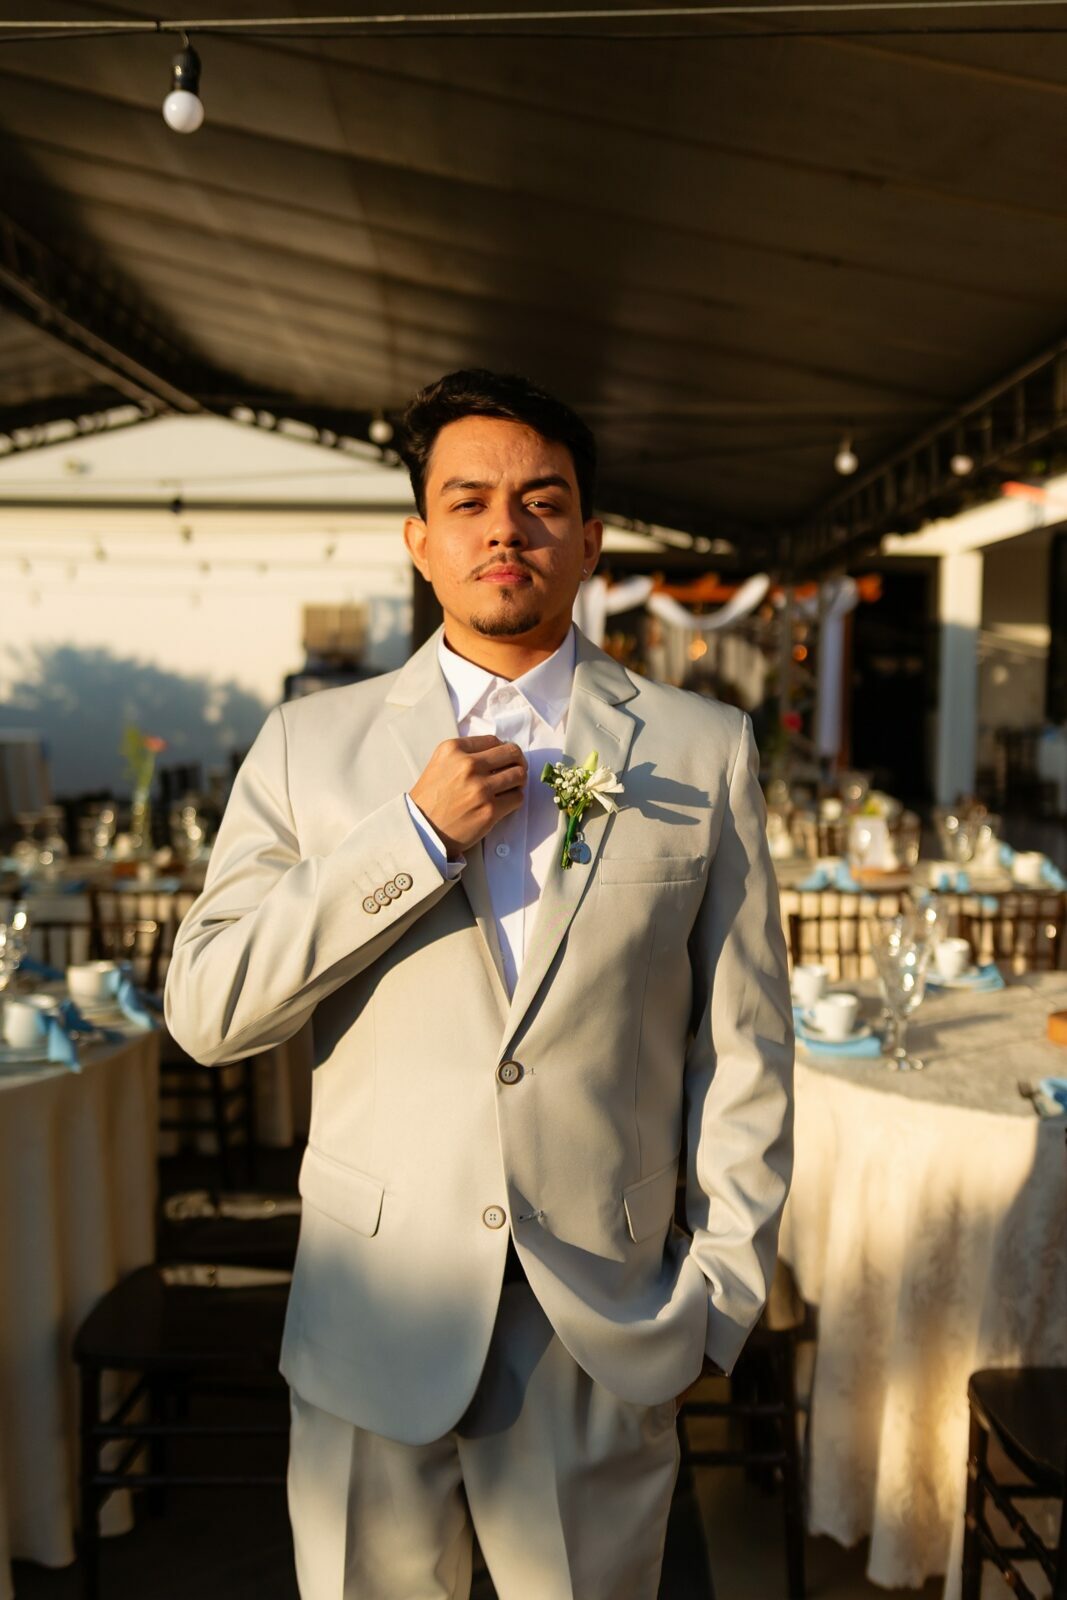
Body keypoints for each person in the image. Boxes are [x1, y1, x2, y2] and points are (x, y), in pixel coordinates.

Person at [164, 368, 794, 1600]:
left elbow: (743, 1045)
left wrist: (716, 1299)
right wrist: (408, 839)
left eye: (540, 501)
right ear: (421, 539)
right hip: (372, 1313)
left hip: (603, 1322)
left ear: (590, 539)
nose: (505, 528)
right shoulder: (307, 745)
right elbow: (207, 1010)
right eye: (468, 501)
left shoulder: (701, 747)